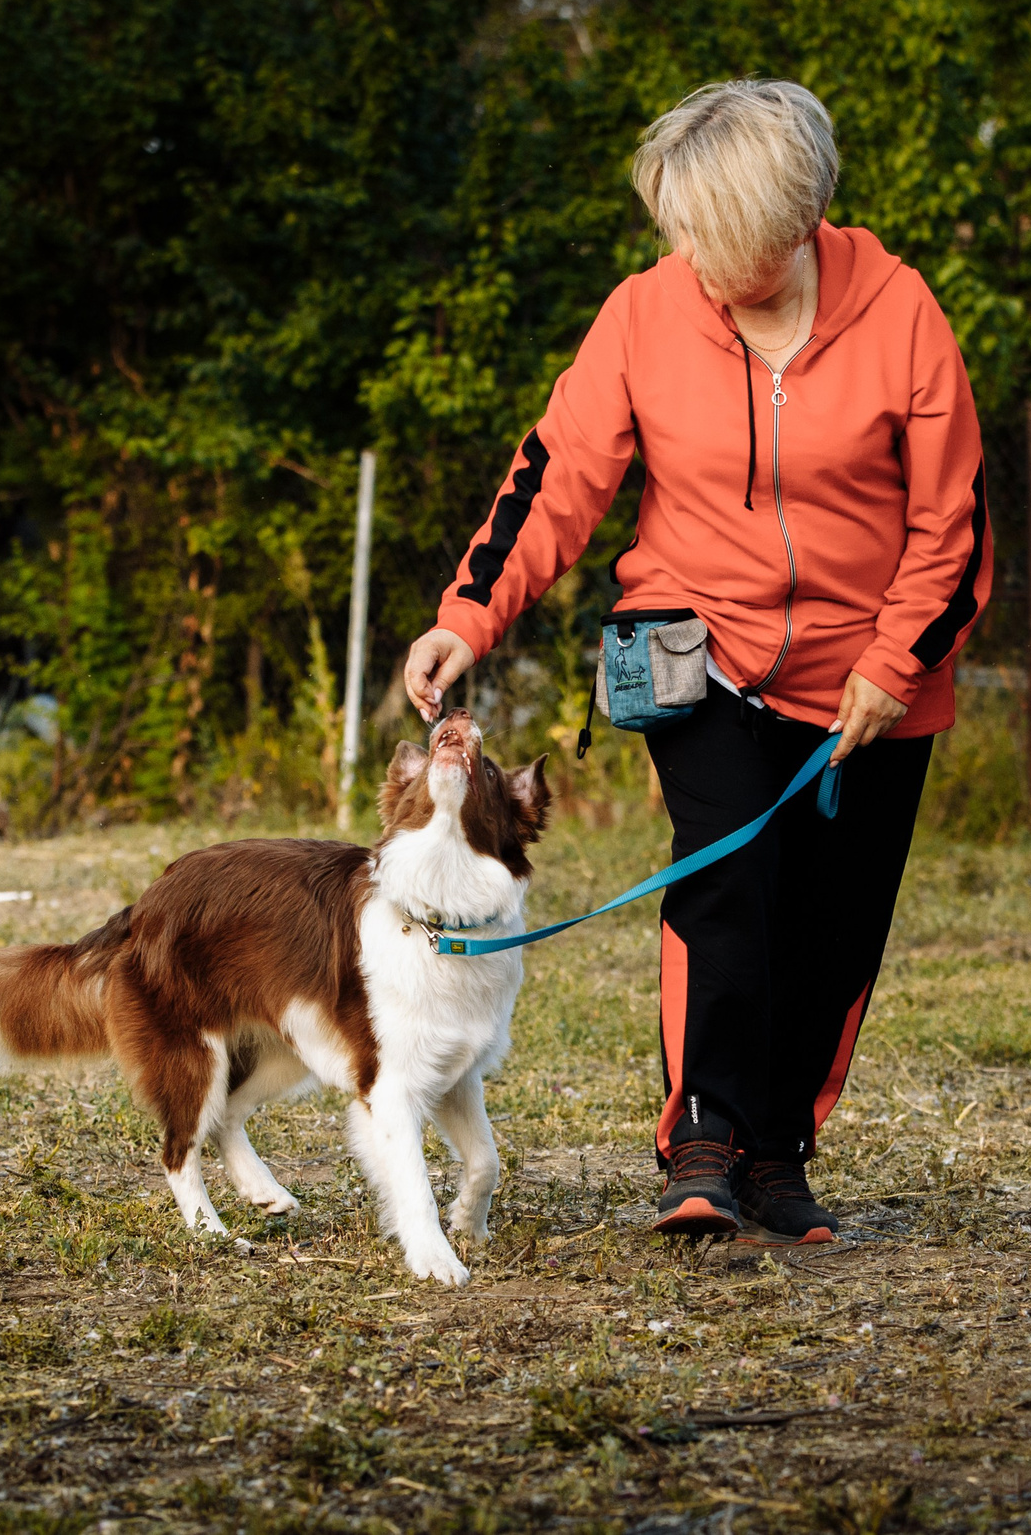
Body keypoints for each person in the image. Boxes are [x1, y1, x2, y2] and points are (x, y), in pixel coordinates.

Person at [400, 79, 992, 1245]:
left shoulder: (903, 313)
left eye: (719, 243)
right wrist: (466, 617)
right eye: (681, 238)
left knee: (834, 924)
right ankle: (705, 1142)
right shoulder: (644, 312)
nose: (697, 267)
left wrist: (894, 663)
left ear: (794, 220)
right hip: (696, 648)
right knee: (726, 891)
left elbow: (956, 526)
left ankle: (779, 1157)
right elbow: (558, 475)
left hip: (872, 682)